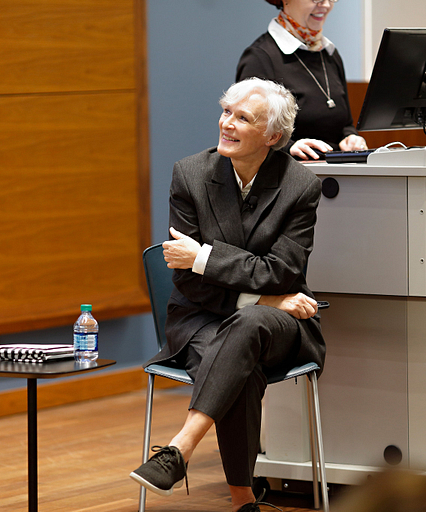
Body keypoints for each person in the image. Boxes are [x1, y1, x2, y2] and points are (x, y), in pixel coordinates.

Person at [129, 77, 326, 512]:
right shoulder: (191, 174)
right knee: (242, 364)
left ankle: (180, 446)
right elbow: (188, 282)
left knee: (251, 326)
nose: (227, 124)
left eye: (243, 118)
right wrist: (265, 297)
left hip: (281, 325)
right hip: (201, 316)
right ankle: (243, 502)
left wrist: (203, 257)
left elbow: (283, 271)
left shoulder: (300, 186)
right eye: (225, 112)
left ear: (272, 137)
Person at [236, 0, 368, 160]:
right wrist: (289, 146)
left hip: (334, 171)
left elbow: (345, 124)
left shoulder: (329, 54)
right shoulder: (260, 57)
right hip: (286, 173)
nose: (325, 5)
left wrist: (351, 137)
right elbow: (248, 129)